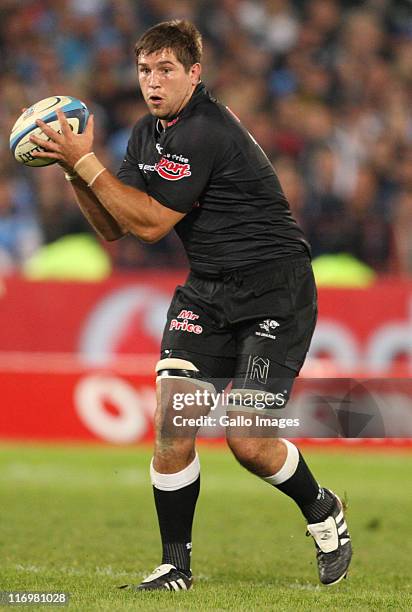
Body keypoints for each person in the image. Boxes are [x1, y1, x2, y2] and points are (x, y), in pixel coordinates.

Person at [30, 19, 352, 591]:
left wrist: (85, 163)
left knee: (248, 441)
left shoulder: (205, 130)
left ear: (194, 73)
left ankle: (323, 508)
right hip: (207, 290)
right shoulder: (145, 135)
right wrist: (71, 166)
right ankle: (174, 566)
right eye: (145, 70)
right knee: (173, 425)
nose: (152, 82)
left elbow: (151, 225)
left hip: (275, 290)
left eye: (166, 70)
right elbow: (114, 225)